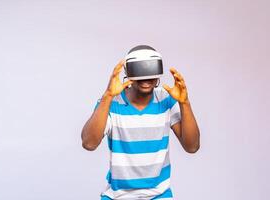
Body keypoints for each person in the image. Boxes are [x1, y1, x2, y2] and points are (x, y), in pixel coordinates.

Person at [81, 45, 200, 200]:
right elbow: (89, 144)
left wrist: (185, 103)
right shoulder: (111, 103)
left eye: (150, 72)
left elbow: (192, 147)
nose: (146, 79)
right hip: (118, 195)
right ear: (128, 72)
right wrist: (108, 96)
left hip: (159, 194)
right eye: (140, 73)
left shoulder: (166, 100)